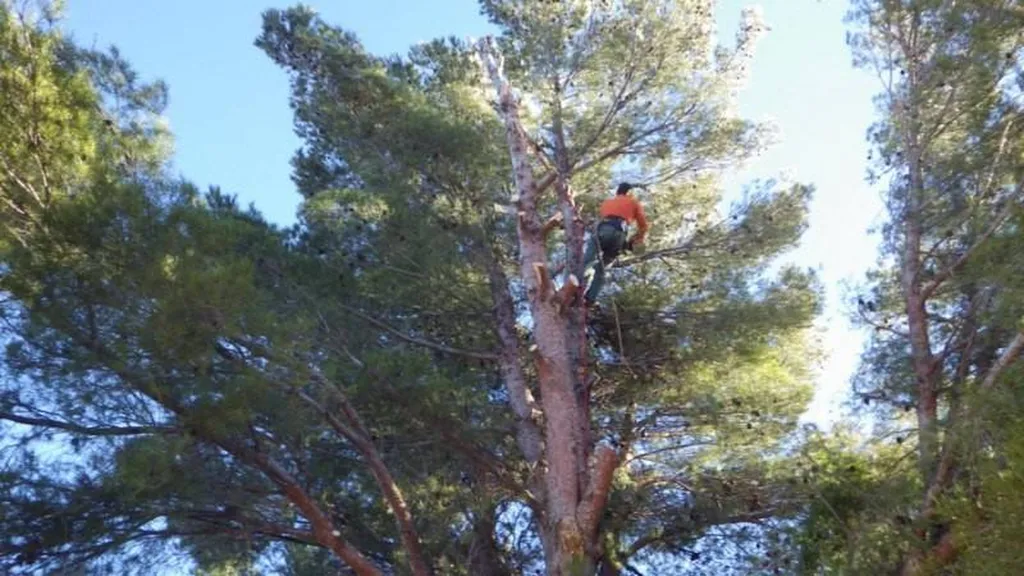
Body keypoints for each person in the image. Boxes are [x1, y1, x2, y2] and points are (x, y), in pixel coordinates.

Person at [582, 182, 649, 306]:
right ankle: (590, 299)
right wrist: (636, 240)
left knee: (588, 260)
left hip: (603, 230)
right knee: (602, 269)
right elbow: (644, 226)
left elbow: (602, 217)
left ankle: (575, 286)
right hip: (619, 237)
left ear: (618, 192)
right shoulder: (634, 202)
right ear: (629, 192)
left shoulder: (607, 203)